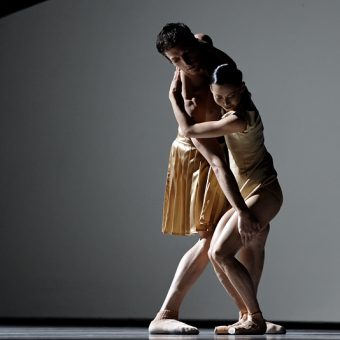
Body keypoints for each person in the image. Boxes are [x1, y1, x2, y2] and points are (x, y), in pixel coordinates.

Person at [149, 23, 285, 335]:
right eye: (176, 60)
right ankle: (166, 312)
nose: (187, 61)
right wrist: (173, 94)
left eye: (188, 52)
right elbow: (207, 150)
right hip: (204, 156)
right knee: (214, 239)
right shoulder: (190, 92)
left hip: (230, 156)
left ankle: (249, 312)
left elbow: (200, 46)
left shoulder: (209, 53)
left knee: (257, 231)